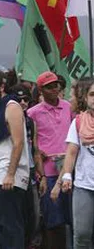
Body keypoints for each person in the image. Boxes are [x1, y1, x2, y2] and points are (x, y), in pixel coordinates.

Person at [0, 70, 30, 249]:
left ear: (2, 87)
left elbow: (18, 143)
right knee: (2, 227)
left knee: (11, 228)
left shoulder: (11, 106)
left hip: (10, 177)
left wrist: (10, 174)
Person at [26, 71, 72, 248]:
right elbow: (29, 140)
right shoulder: (32, 113)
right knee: (53, 221)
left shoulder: (68, 107)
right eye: (49, 87)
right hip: (48, 173)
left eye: (56, 85)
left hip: (69, 171)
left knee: (72, 218)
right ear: (40, 90)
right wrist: (39, 152)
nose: (54, 89)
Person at [51, 77, 94, 248]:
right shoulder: (78, 122)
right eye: (92, 94)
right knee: (82, 234)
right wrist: (67, 176)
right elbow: (71, 151)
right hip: (84, 186)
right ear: (85, 98)